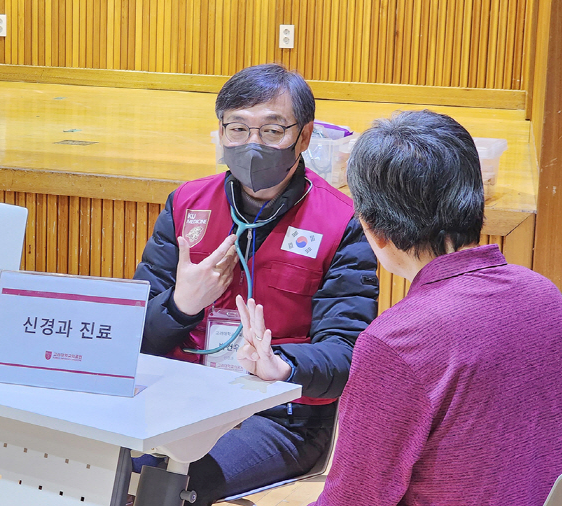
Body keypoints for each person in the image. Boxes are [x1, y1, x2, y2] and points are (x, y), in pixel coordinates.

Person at [274, 109, 562, 506]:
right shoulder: (543, 294)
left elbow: (354, 499)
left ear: (374, 229)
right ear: (476, 198)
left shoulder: (397, 341)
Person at [133, 63, 378, 504]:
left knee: (163, 483)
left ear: (303, 137)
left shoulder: (341, 222)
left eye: (272, 130)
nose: (252, 144)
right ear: (221, 132)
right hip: (183, 396)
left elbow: (346, 355)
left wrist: (282, 365)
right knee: (96, 462)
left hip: (280, 417)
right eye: (238, 128)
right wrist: (181, 305)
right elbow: (133, 335)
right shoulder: (186, 203)